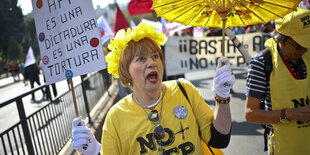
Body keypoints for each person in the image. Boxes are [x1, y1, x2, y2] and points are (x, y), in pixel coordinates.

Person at [71, 22, 235, 154]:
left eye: (155, 56)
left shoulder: (184, 89)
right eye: (141, 59)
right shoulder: (116, 117)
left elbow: (219, 140)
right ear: (125, 70)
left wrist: (222, 98)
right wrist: (94, 151)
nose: (152, 63)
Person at [245, 8, 310, 155]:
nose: (303, 49)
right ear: (281, 39)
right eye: (298, 44)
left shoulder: (307, 53)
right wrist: (289, 114)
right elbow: (250, 113)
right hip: (283, 145)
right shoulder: (262, 62)